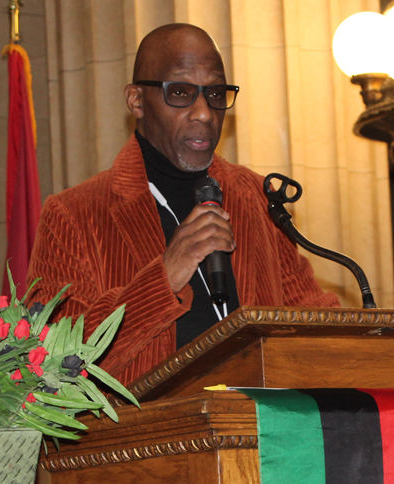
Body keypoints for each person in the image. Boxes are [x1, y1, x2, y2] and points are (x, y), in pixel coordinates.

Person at [26, 23, 339, 386]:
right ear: (136, 100)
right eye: (180, 92)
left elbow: (311, 321)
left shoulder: (255, 196)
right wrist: (164, 278)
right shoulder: (74, 214)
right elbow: (52, 364)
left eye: (216, 93)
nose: (205, 113)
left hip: (263, 432)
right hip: (148, 438)